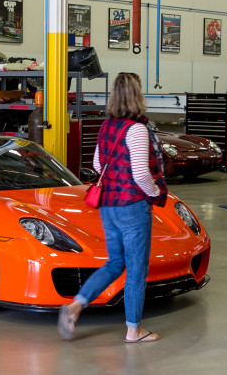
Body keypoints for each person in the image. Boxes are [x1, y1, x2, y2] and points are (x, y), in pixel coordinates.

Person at [57, 72, 168, 343]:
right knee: (136, 269)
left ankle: (76, 305)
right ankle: (133, 330)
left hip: (108, 205)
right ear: (137, 94)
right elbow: (141, 174)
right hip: (132, 206)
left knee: (115, 262)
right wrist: (154, 193)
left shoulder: (107, 126)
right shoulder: (137, 129)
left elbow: (97, 164)